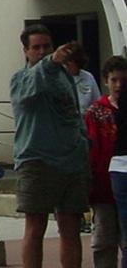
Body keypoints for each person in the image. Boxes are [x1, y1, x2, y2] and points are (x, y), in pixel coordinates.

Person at [10, 24, 89, 268]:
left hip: (72, 162)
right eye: (36, 47)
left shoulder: (65, 76)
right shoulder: (20, 79)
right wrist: (50, 62)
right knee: (36, 227)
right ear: (25, 51)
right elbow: (26, 94)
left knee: (71, 227)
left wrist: (83, 144)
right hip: (37, 161)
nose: (42, 51)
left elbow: (74, 113)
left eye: (47, 46)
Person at [86, 55, 127, 268]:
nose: (119, 85)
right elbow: (91, 149)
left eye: (123, 80)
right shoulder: (96, 112)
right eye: (114, 80)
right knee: (103, 240)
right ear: (105, 81)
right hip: (103, 188)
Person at [65, 47, 100, 113]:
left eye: (70, 60)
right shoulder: (59, 78)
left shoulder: (88, 77)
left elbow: (97, 102)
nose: (67, 64)